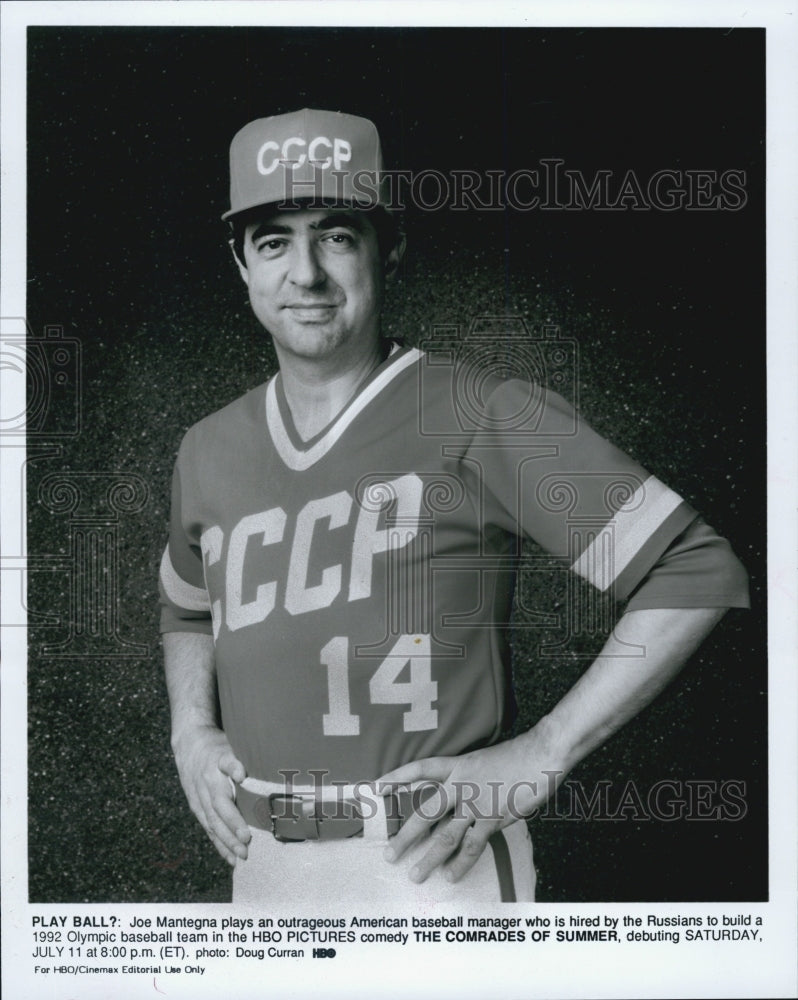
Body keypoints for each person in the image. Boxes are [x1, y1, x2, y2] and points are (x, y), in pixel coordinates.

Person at [159, 108, 749, 905]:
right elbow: (188, 610)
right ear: (241, 263)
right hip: (264, 863)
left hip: (432, 864)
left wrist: (541, 753)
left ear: (388, 246)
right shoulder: (206, 449)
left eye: (336, 235)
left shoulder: (477, 411)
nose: (305, 272)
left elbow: (695, 569)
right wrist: (191, 729)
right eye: (273, 240)